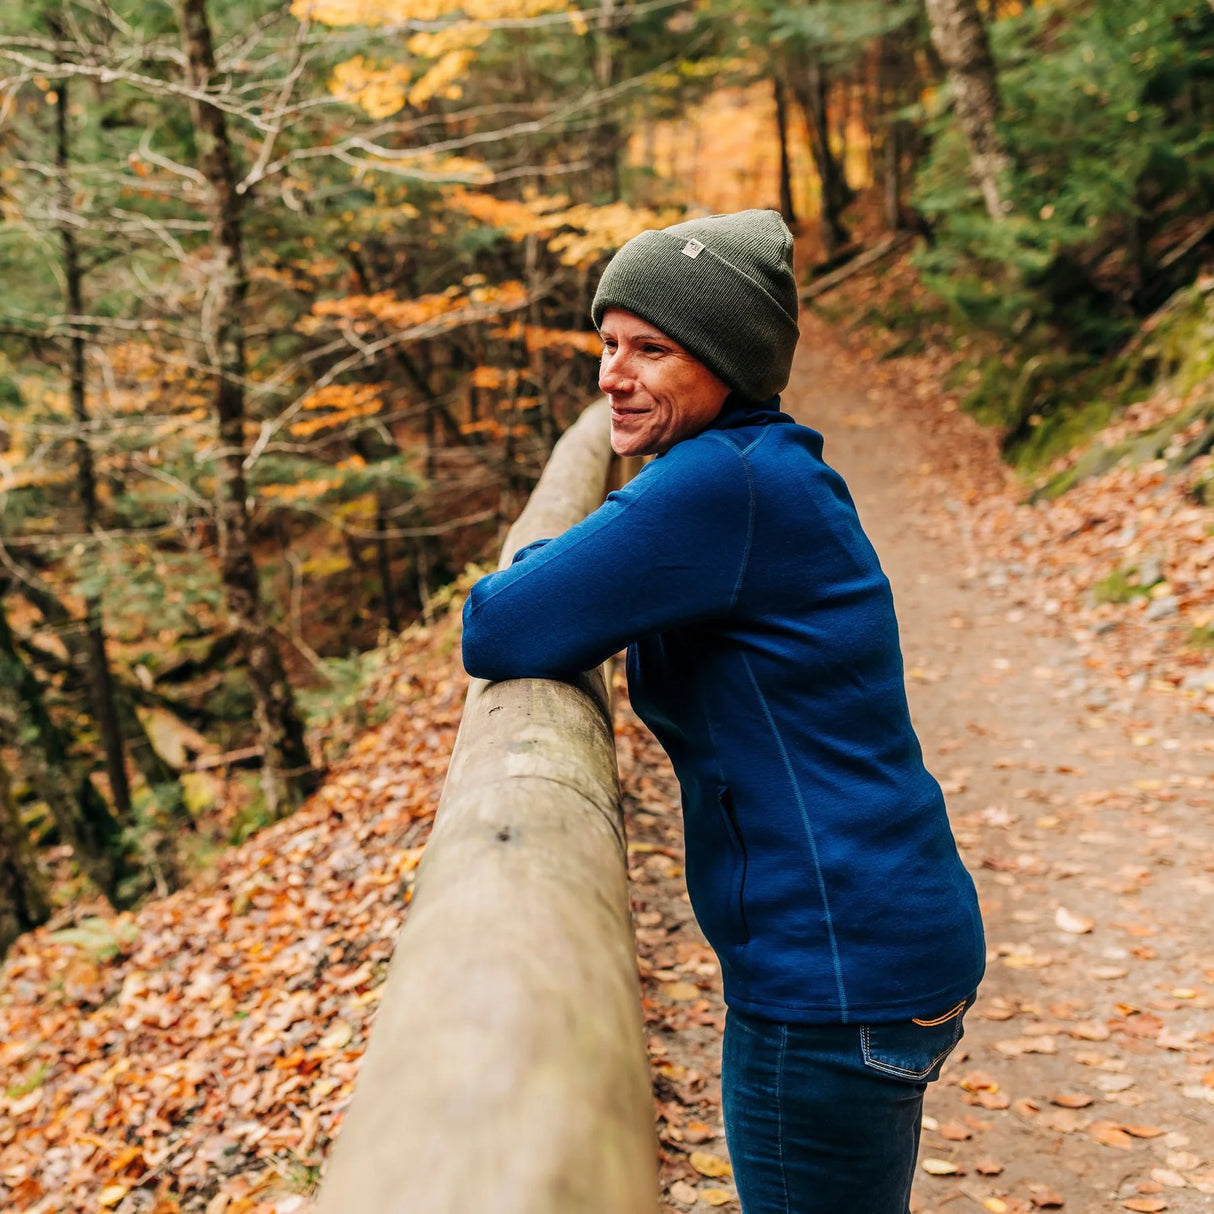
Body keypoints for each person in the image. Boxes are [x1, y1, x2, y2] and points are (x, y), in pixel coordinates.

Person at [461, 209, 985, 1214]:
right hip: (877, 940)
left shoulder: (716, 486)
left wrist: (546, 567)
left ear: (727, 360)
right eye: (607, 342)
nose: (613, 372)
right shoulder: (763, 467)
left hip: (829, 974)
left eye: (650, 349)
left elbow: (498, 623)